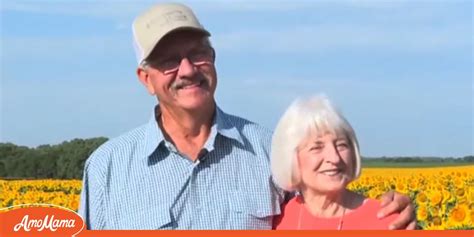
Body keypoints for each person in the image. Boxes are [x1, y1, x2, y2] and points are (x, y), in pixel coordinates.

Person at [78, 2, 416, 230]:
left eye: (197, 55)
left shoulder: (271, 151)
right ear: (145, 78)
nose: (186, 70)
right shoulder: (108, 167)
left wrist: (388, 214)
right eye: (168, 60)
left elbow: (325, 214)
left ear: (213, 59)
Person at [271, 95, 405, 229]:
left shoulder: (387, 221)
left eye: (341, 145)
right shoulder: (279, 219)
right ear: (291, 158)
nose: (334, 158)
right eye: (317, 147)